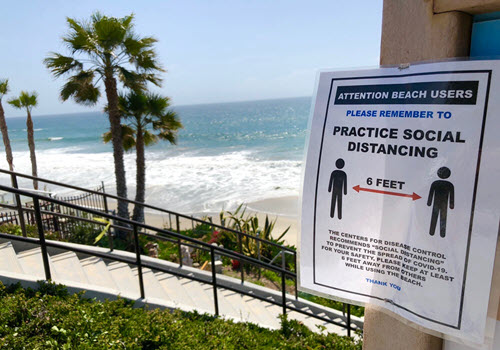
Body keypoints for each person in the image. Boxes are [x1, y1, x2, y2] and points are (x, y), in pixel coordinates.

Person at [427, 166, 454, 237]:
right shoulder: (449, 185)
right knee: (442, 217)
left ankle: (432, 232)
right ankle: (441, 233)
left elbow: (431, 193)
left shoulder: (435, 183)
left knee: (436, 217)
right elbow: (452, 195)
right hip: (443, 203)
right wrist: (451, 205)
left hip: (438, 203)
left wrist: (429, 203)